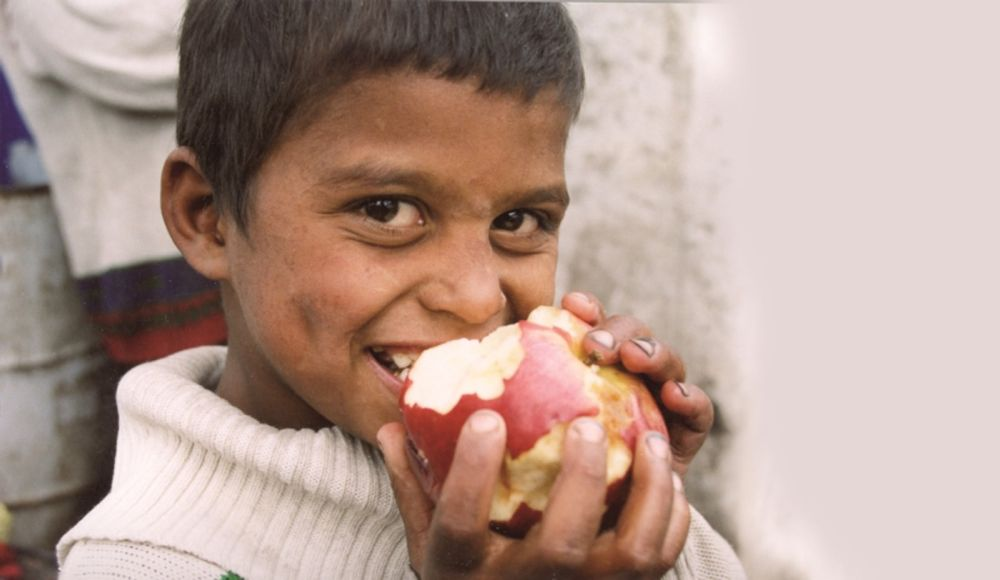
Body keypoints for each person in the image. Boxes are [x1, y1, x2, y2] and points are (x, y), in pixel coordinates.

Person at [56, 1, 746, 578]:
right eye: (387, 211)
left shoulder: (534, 488)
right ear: (207, 217)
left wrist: (636, 510)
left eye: (518, 221)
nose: (477, 299)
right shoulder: (137, 563)